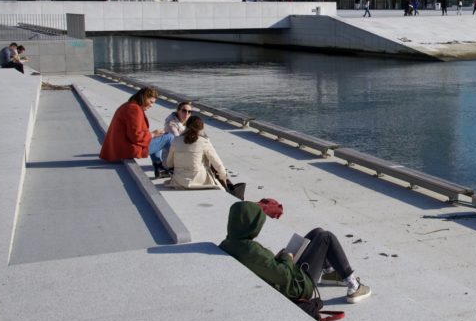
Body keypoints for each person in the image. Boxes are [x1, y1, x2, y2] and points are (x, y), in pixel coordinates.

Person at [218, 199, 372, 305]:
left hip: (286, 276)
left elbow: (265, 266)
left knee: (316, 232)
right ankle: (354, 285)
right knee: (326, 237)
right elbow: (283, 276)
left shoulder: (231, 242)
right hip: (298, 286)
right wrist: (286, 257)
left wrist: (278, 258)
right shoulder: (250, 249)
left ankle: (330, 272)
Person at [163, 115, 246, 198]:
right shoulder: (204, 142)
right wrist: (223, 177)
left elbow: (169, 163)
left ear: (186, 126)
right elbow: (218, 164)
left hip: (179, 181)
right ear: (201, 128)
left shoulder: (176, 140)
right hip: (199, 180)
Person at [99, 87, 163, 162]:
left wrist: (153, 135)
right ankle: (173, 169)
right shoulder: (134, 109)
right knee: (169, 138)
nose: (151, 105)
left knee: (160, 136)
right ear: (144, 98)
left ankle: (159, 166)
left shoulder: (129, 105)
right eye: (151, 102)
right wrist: (152, 134)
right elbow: (135, 136)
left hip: (119, 147)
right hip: (126, 149)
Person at [149, 100, 192, 177]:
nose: (187, 114)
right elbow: (178, 142)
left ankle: (157, 164)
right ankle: (162, 166)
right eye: (184, 111)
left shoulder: (187, 122)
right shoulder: (171, 124)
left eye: (189, 112)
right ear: (178, 111)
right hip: (170, 158)